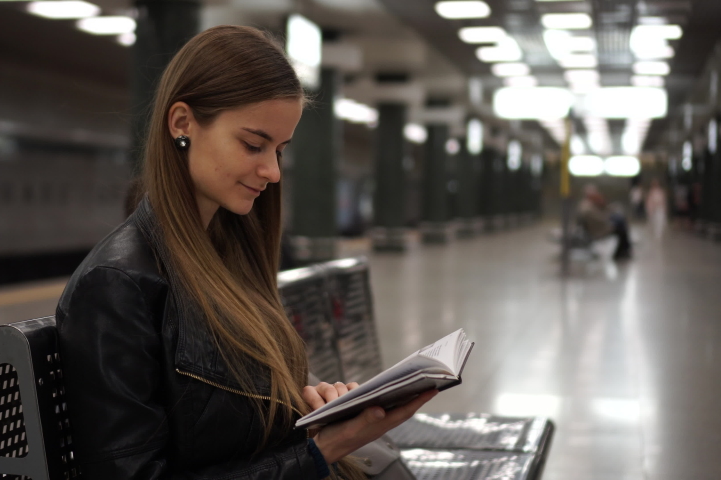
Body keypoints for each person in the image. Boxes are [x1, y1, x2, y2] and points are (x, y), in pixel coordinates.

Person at [55, 25, 436, 480]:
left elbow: (227, 410)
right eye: (254, 145)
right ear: (182, 124)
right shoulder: (119, 286)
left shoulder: (224, 251)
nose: (272, 171)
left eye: (279, 150)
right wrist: (322, 450)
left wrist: (310, 401)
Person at [577, 184, 633, 260]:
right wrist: (609, 219)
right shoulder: (586, 207)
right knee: (621, 227)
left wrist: (602, 204)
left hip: (600, 226)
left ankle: (623, 250)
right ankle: (621, 252)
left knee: (620, 221)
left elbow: (603, 213)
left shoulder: (590, 204)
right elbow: (600, 218)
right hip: (598, 230)